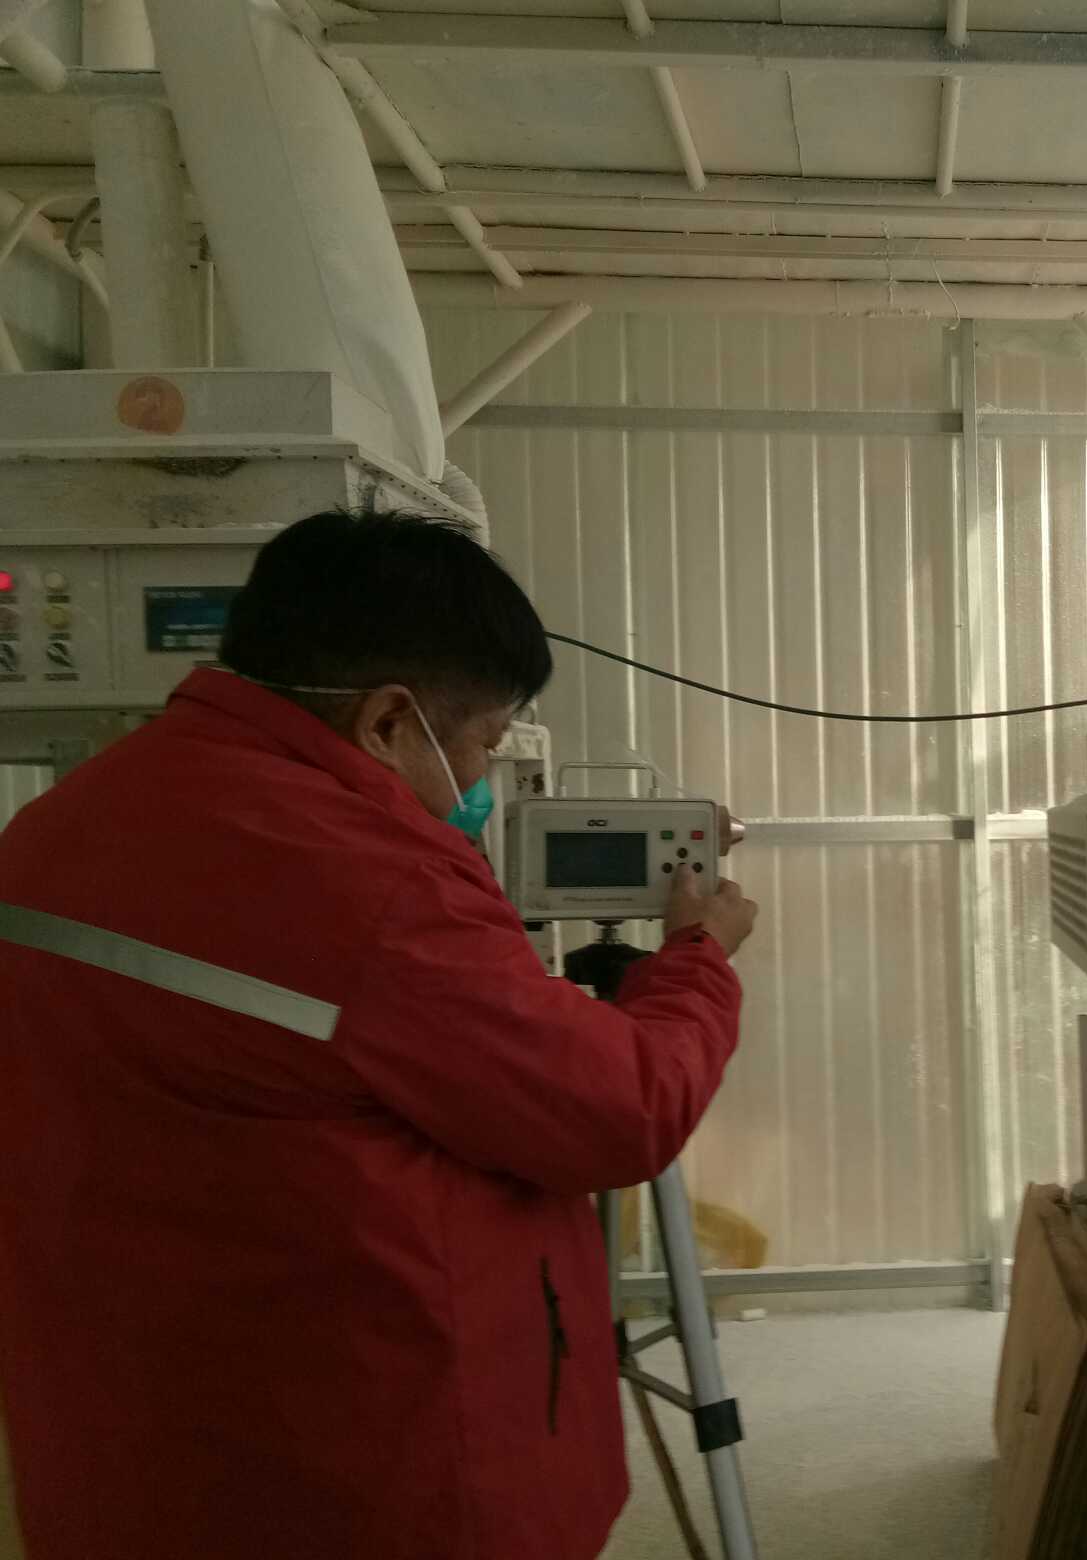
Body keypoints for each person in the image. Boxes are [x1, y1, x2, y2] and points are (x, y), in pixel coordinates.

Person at [0, 511, 757, 1560]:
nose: (483, 781)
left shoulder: (58, 825)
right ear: (390, 721)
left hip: (132, 1433)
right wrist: (697, 960)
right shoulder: (372, 886)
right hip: (363, 1468)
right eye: (485, 742)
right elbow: (624, 1107)